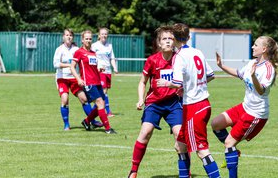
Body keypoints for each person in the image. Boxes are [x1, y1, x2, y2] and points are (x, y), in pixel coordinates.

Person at [211, 36, 278, 178]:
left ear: (264, 49)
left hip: (256, 114)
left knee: (229, 143)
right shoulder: (252, 63)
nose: (252, 47)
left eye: (255, 45)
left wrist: (254, 76)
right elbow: (239, 74)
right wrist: (221, 65)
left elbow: (261, 90)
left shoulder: (269, 69)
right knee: (216, 124)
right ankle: (234, 153)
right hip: (244, 107)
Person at [157, 23, 221, 178]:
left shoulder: (179, 57)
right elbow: (211, 75)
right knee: (180, 146)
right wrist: (192, 85)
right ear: (188, 37)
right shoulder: (197, 52)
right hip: (202, 104)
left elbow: (177, 83)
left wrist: (167, 83)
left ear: (173, 38)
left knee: (201, 150)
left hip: (194, 106)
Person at [127, 26, 183, 178]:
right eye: (164, 39)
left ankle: (186, 173)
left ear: (175, 42)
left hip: (173, 103)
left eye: (170, 39)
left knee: (180, 137)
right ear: (159, 43)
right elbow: (142, 82)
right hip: (155, 103)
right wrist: (140, 99)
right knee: (145, 132)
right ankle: (133, 171)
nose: (167, 41)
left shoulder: (180, 59)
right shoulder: (152, 60)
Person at [53, 29, 102, 130]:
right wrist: (70, 65)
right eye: (67, 35)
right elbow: (56, 64)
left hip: (74, 78)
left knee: (84, 99)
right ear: (63, 37)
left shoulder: (76, 49)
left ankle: (91, 121)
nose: (69, 37)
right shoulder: (59, 49)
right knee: (65, 100)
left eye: (70, 35)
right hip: (62, 78)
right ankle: (66, 124)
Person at [70, 30, 116, 134]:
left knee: (101, 104)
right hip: (88, 83)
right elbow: (72, 67)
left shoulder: (93, 53)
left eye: (90, 38)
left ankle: (87, 121)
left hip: (97, 82)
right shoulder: (79, 52)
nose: (88, 40)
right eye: (86, 38)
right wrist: (78, 79)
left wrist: (99, 69)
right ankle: (108, 129)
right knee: (100, 103)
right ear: (82, 40)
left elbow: (93, 67)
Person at [91, 27, 118, 117]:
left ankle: (96, 109)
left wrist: (115, 68)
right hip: (99, 70)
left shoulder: (109, 45)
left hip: (108, 71)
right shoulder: (95, 45)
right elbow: (91, 57)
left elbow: (112, 58)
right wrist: (96, 67)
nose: (104, 35)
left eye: (105, 34)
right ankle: (107, 111)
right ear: (99, 35)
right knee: (103, 91)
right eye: (102, 34)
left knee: (105, 92)